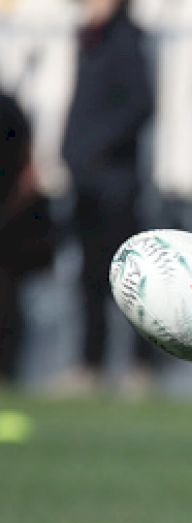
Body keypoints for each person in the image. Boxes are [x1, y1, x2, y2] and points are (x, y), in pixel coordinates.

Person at [56, 0, 155, 396]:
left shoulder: (126, 41)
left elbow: (140, 105)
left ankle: (139, 366)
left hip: (115, 182)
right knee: (90, 280)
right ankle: (89, 365)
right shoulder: (89, 41)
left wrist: (96, 149)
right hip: (87, 181)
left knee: (130, 281)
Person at [0, 91, 55, 386]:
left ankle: (7, 373)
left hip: (9, 224)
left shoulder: (8, 107)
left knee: (7, 300)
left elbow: (28, 172)